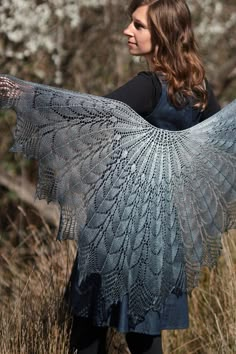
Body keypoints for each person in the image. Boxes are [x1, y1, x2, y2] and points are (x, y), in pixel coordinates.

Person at [66, 0, 221, 353]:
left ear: (162, 34)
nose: (127, 31)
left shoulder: (149, 86)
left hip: (117, 227)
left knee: (89, 333)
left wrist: (27, 93)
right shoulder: (199, 91)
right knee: (145, 335)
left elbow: (85, 116)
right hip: (163, 230)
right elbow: (219, 142)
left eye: (138, 26)